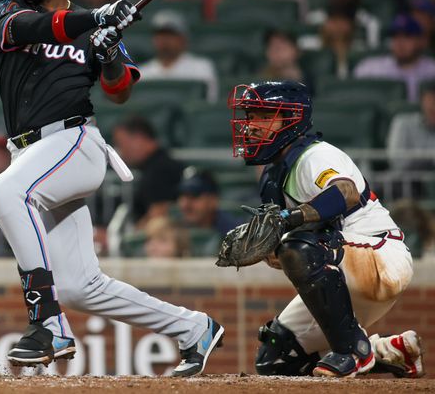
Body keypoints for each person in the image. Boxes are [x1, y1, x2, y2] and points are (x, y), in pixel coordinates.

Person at [0, 0, 223, 375]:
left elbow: (120, 91)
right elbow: (32, 27)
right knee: (78, 286)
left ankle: (47, 325)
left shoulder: (94, 26)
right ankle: (194, 329)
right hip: (32, 156)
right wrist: (95, 19)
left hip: (74, 142)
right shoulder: (4, 10)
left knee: (6, 192)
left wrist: (110, 50)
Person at [229, 80, 422, 378]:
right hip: (344, 270)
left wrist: (291, 224)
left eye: (264, 115)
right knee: (275, 359)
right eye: (251, 116)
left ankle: (353, 350)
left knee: (300, 247)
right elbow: (294, 245)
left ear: (292, 119)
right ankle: (389, 352)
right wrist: (272, 250)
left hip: (382, 256)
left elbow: (345, 193)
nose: (252, 126)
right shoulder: (272, 176)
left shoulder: (315, 155)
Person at [112, 115, 184, 226]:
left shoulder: (160, 170)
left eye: (122, 144)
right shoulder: (156, 166)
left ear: (139, 138)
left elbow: (159, 216)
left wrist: (127, 239)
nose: (121, 153)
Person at [138, 10, 218, 102]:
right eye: (160, 35)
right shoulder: (142, 74)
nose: (164, 40)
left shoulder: (201, 67)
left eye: (170, 35)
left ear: (183, 39)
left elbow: (209, 103)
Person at [353, 14, 435, 102]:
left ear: (421, 41)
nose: (400, 42)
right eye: (395, 36)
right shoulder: (370, 68)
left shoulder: (432, 70)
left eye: (407, 36)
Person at [387, 81, 435, 172]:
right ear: (422, 101)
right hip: (408, 181)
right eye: (431, 99)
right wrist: (428, 162)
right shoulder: (403, 123)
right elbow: (397, 161)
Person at [175, 170, 240, 237]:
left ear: (213, 200)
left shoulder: (236, 233)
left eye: (193, 196)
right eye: (181, 196)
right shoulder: (174, 229)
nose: (185, 205)